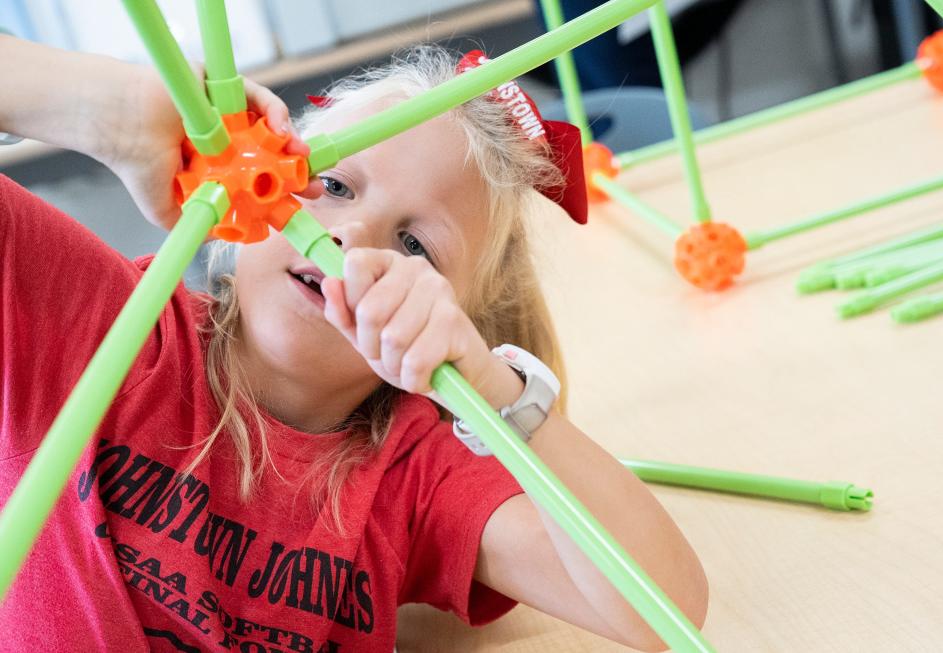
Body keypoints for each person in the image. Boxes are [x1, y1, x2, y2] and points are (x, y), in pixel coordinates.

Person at [0, 33, 707, 652]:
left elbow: (663, 611)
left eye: (415, 246)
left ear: (456, 316)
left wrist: (494, 387)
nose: (350, 237)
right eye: (332, 183)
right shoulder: (100, 320)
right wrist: (102, 103)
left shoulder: (413, 473)